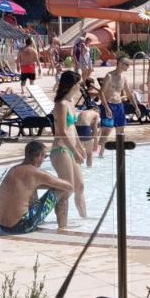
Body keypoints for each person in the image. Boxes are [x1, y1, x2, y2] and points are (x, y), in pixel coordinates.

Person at [0, 141, 74, 233]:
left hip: (1, 225)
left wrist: (41, 185)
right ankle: (62, 228)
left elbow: (26, 186)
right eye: (45, 156)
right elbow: (69, 186)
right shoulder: (36, 173)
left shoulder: (13, 169)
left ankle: (42, 220)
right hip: (20, 227)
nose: (44, 159)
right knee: (62, 190)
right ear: (39, 156)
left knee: (35, 187)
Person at [50, 70, 87, 227]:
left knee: (80, 186)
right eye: (78, 83)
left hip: (71, 148)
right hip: (61, 149)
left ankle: (85, 220)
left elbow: (73, 129)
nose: (80, 86)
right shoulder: (61, 105)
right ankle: (62, 224)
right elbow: (62, 131)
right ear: (71, 85)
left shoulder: (70, 103)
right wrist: (74, 151)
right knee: (68, 188)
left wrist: (79, 146)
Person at [98, 55, 140, 157]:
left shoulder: (124, 78)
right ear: (120, 64)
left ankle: (121, 153)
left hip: (119, 106)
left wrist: (136, 107)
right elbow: (101, 93)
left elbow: (129, 94)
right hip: (109, 105)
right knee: (106, 132)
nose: (128, 67)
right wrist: (107, 108)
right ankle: (100, 155)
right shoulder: (109, 76)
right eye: (127, 64)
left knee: (121, 130)